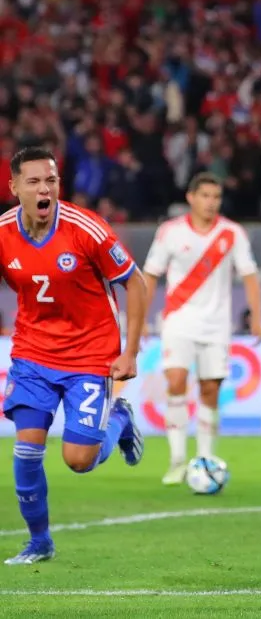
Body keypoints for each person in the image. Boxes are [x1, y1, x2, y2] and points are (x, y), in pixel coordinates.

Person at [0, 146, 146, 565]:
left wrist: (130, 352)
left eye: (52, 180)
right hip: (32, 354)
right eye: (34, 181)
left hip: (89, 354)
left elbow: (135, 284)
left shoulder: (87, 229)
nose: (45, 188)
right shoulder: (4, 232)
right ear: (14, 188)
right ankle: (39, 541)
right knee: (26, 451)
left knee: (78, 460)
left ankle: (119, 420)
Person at [142, 172, 261, 486]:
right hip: (178, 320)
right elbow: (150, 275)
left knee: (210, 391)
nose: (211, 202)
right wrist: (139, 317)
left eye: (216, 197)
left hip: (216, 324)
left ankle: (206, 459)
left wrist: (258, 316)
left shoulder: (232, 233)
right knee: (176, 381)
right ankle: (177, 461)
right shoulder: (170, 232)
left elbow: (249, 274)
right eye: (205, 196)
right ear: (191, 198)